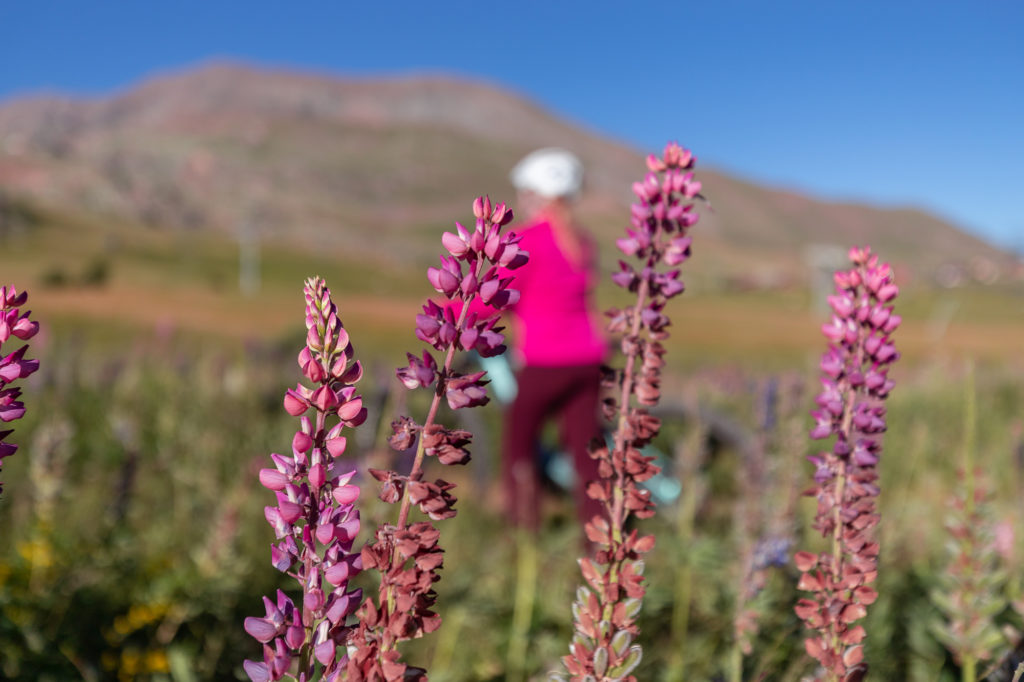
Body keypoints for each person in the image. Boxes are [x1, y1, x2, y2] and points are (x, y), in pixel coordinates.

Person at [495, 147, 607, 531]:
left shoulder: (525, 239)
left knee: (519, 449)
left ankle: (524, 539)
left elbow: (494, 299)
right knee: (587, 455)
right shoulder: (579, 240)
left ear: (535, 194)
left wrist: (450, 315)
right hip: (588, 360)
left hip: (545, 362)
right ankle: (600, 542)